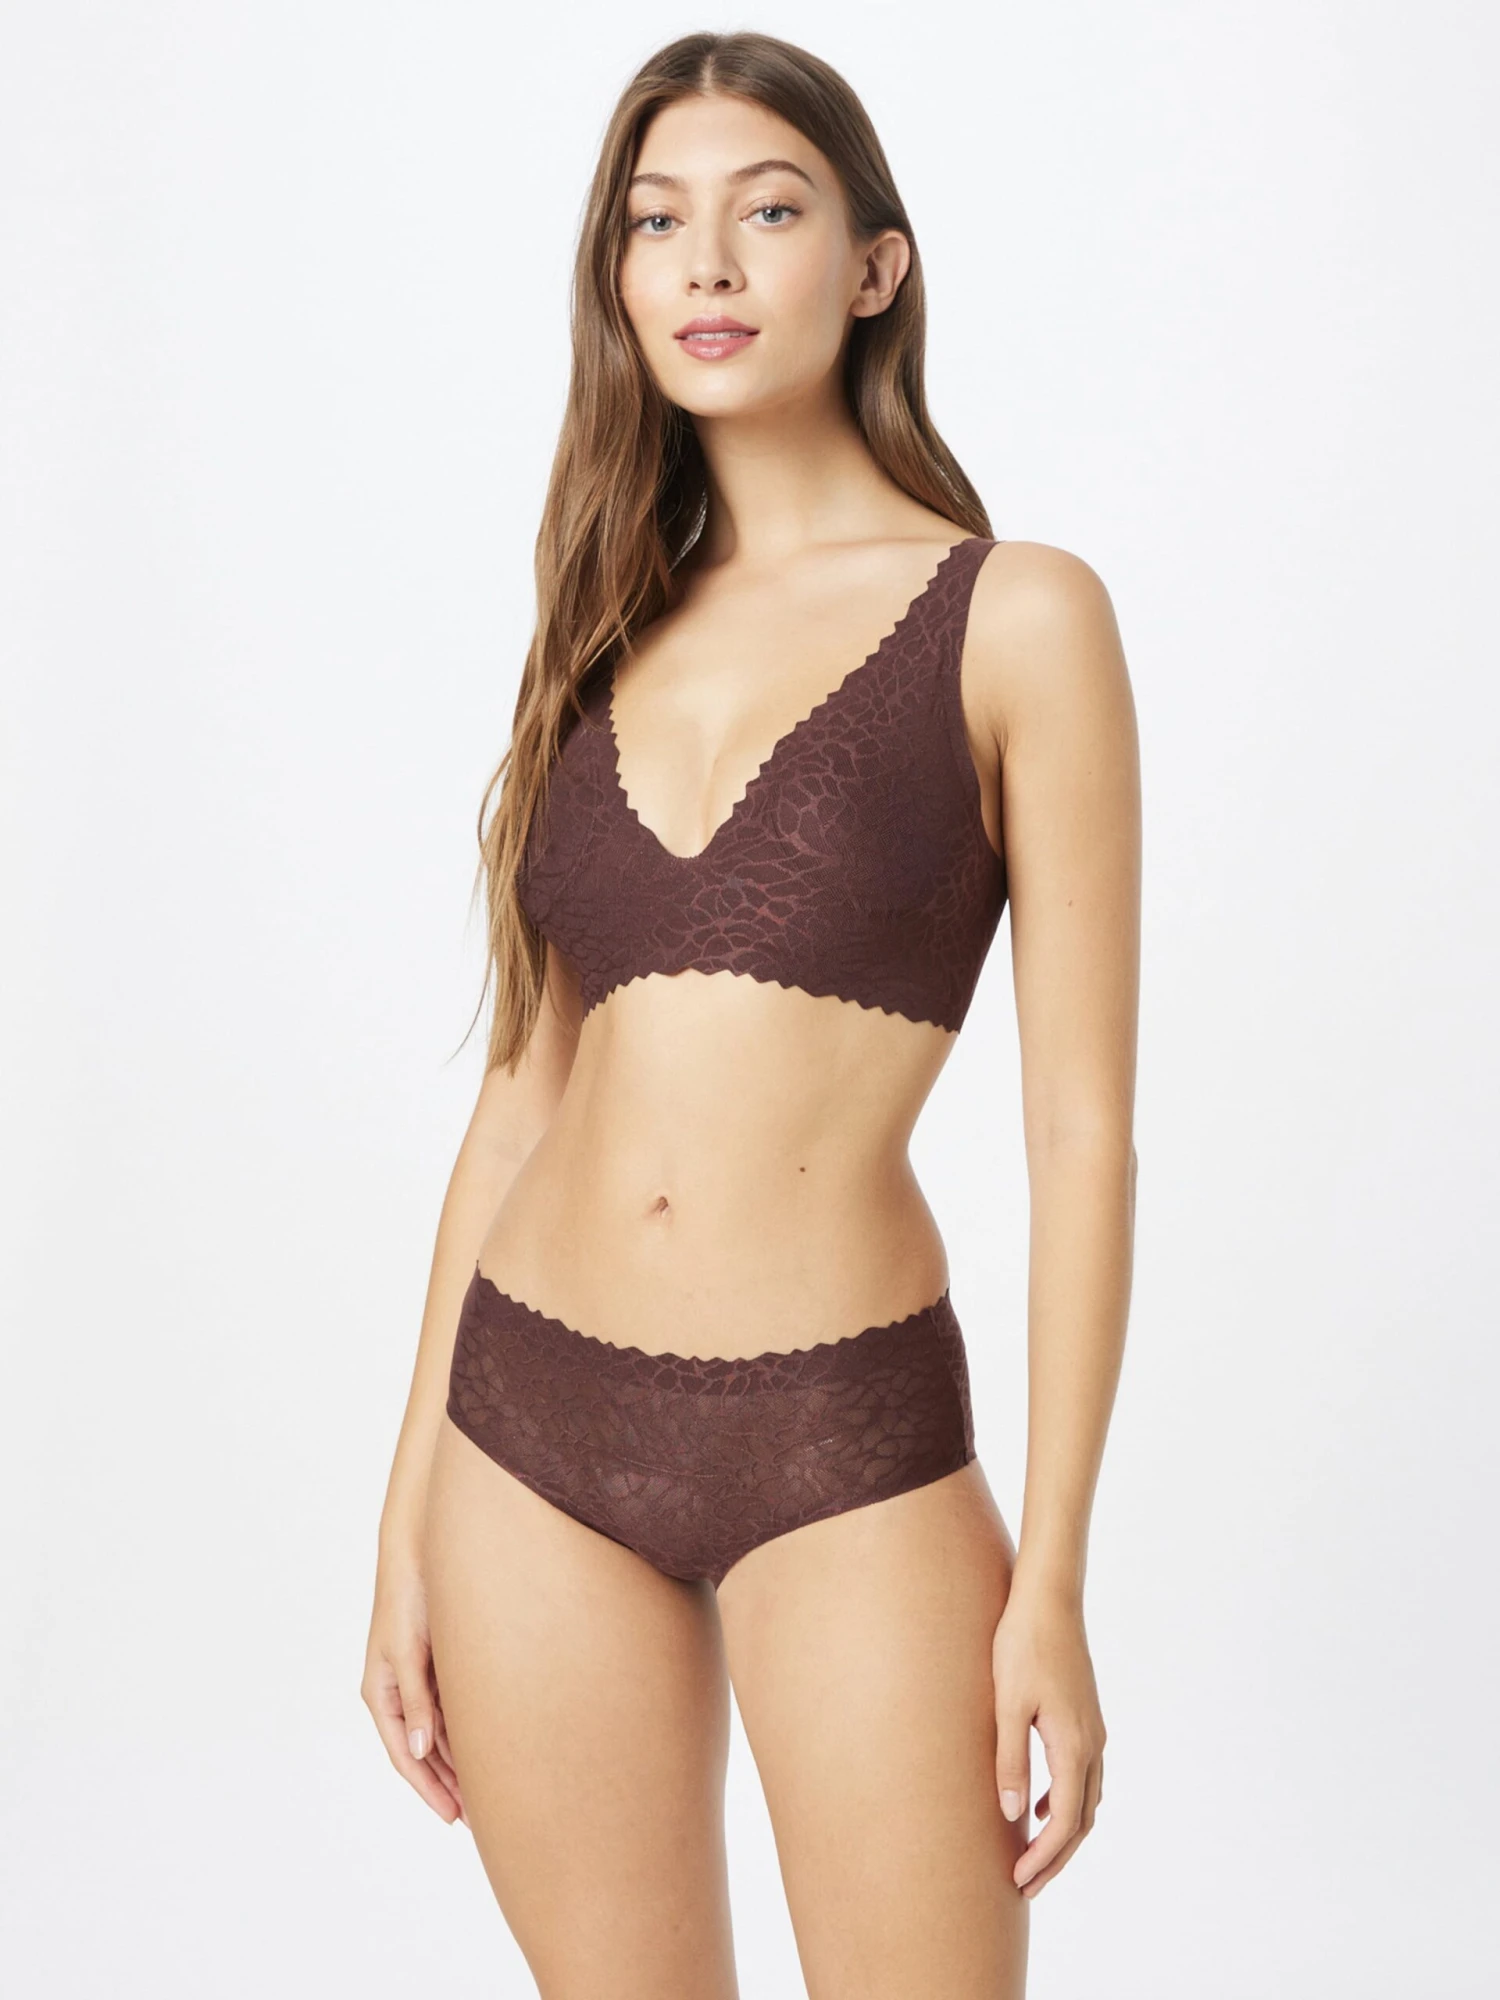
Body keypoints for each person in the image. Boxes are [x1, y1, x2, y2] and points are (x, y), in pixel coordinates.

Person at [363, 29, 1140, 2000]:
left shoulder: (1018, 617)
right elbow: (522, 1102)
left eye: (767, 210)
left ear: (874, 265)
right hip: (526, 1439)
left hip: (842, 1440)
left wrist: (1052, 1577)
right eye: (657, 222)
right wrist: (407, 1513)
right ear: (619, 280)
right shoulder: (602, 629)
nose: (706, 262)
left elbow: (1082, 1134)